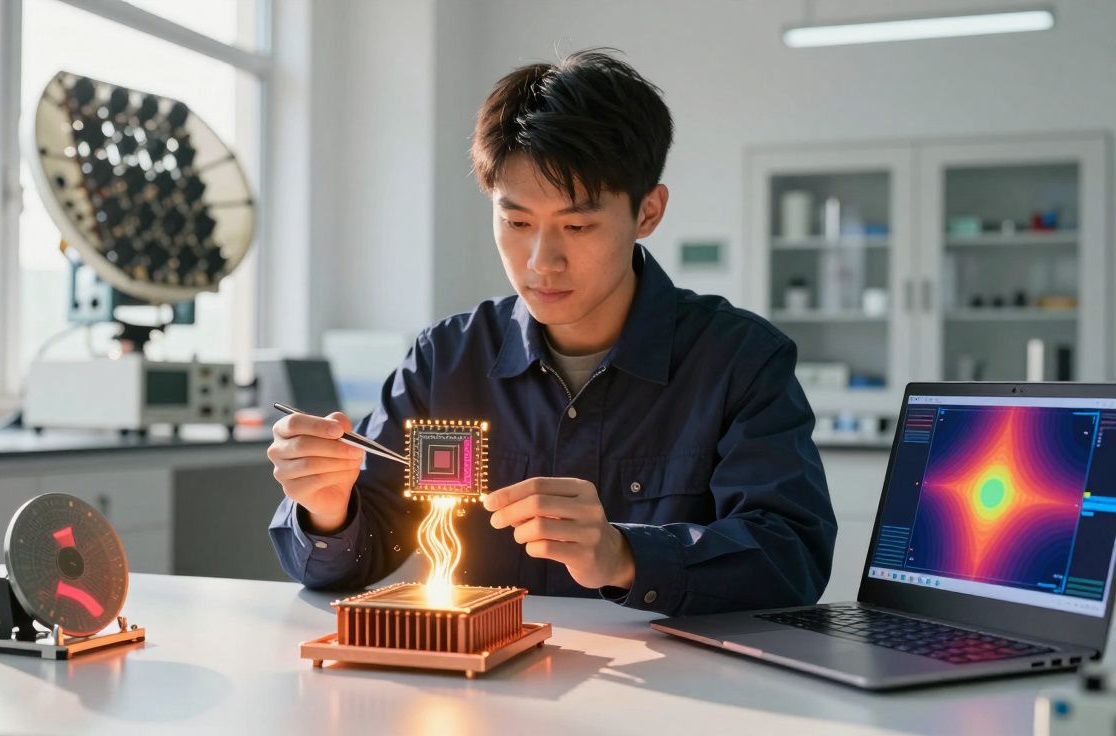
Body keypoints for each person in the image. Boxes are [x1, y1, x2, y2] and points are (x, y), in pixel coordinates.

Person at [268, 49, 836, 615]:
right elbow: (356, 556)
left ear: (648, 213)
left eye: (578, 224)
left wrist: (626, 554)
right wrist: (328, 510)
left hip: (668, 695)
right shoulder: (447, 359)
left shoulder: (739, 360)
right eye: (516, 222)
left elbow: (793, 557)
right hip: (484, 688)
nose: (542, 261)